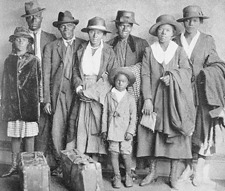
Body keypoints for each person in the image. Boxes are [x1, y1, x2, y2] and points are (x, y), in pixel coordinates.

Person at [137, 15, 196, 189]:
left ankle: (173, 177)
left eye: (167, 30)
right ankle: (152, 172)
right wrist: (147, 98)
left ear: (172, 33)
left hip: (174, 101)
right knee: (151, 134)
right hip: (154, 99)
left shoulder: (178, 51)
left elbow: (187, 72)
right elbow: (145, 74)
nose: (163, 33)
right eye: (161, 30)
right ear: (156, 33)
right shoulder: (150, 50)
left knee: (176, 136)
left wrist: (173, 77)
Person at [174, 5, 225, 186]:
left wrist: (205, 73)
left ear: (200, 22)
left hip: (201, 91)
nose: (190, 23)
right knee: (183, 128)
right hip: (181, 92)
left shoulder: (206, 40)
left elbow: (216, 63)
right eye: (187, 20)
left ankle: (197, 170)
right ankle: (188, 166)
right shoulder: (175, 41)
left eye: (194, 20)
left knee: (202, 129)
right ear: (183, 21)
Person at [43, 11, 85, 175]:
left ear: (74, 26)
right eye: (62, 27)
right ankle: (60, 163)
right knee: (57, 127)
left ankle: (74, 163)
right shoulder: (51, 47)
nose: (65, 29)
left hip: (77, 92)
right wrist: (46, 99)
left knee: (75, 126)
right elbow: (46, 75)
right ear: (59, 29)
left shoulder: (83, 44)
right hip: (58, 92)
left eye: (68, 26)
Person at [107, 10, 149, 176]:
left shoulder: (141, 43)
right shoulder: (110, 44)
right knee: (116, 125)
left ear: (132, 27)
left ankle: (131, 167)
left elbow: (146, 69)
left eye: (129, 25)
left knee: (132, 127)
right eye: (122, 24)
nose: (125, 28)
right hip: (115, 92)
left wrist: (131, 72)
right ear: (117, 25)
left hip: (134, 92)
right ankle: (118, 169)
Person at [72, 16, 117, 159]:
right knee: (81, 124)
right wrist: (79, 89)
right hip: (82, 89)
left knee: (97, 123)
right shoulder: (81, 49)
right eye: (92, 32)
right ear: (88, 33)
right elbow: (75, 70)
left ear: (104, 35)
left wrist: (93, 93)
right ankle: (82, 159)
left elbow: (112, 75)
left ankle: (96, 161)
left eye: (99, 32)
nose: (95, 35)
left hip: (99, 91)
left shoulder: (109, 51)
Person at [1, 27, 41, 178]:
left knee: (29, 135)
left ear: (29, 42)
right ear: (13, 42)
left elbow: (40, 83)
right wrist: (4, 102)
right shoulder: (8, 61)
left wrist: (39, 102)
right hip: (12, 104)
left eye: (23, 39)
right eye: (17, 39)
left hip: (29, 104)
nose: (20, 42)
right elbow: (4, 83)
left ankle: (28, 166)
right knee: (15, 135)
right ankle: (14, 165)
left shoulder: (33, 60)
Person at [21, 0, 56, 153]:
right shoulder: (20, 39)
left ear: (42, 17)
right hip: (27, 88)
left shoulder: (51, 38)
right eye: (29, 17)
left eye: (36, 16)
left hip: (45, 85)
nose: (33, 20)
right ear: (26, 19)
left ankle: (40, 160)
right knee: (26, 124)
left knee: (44, 123)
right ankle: (26, 160)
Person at [101, 67, 137, 188]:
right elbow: (104, 114)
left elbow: (134, 117)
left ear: (127, 84)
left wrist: (131, 131)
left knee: (126, 153)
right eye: (118, 81)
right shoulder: (109, 96)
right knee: (114, 152)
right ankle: (116, 176)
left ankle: (128, 175)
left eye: (123, 81)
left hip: (125, 131)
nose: (120, 83)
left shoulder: (130, 98)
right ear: (114, 81)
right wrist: (104, 130)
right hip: (112, 130)